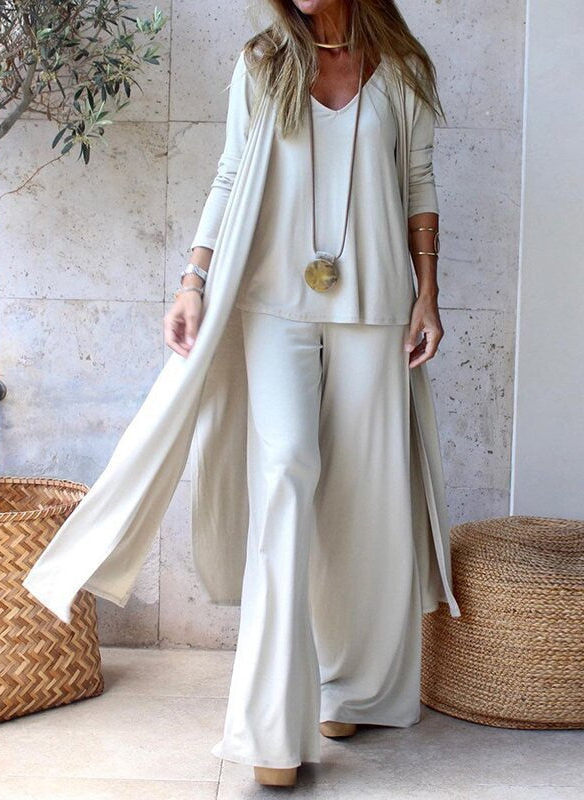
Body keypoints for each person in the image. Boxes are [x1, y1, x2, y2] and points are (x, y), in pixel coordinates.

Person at [164, 0, 448, 788]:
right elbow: (230, 172)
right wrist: (192, 279)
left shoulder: (402, 70)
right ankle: (271, 726)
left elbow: (418, 183)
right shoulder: (263, 64)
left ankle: (348, 686)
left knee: (361, 495)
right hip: (273, 301)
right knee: (286, 471)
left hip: (376, 302)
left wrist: (428, 294)